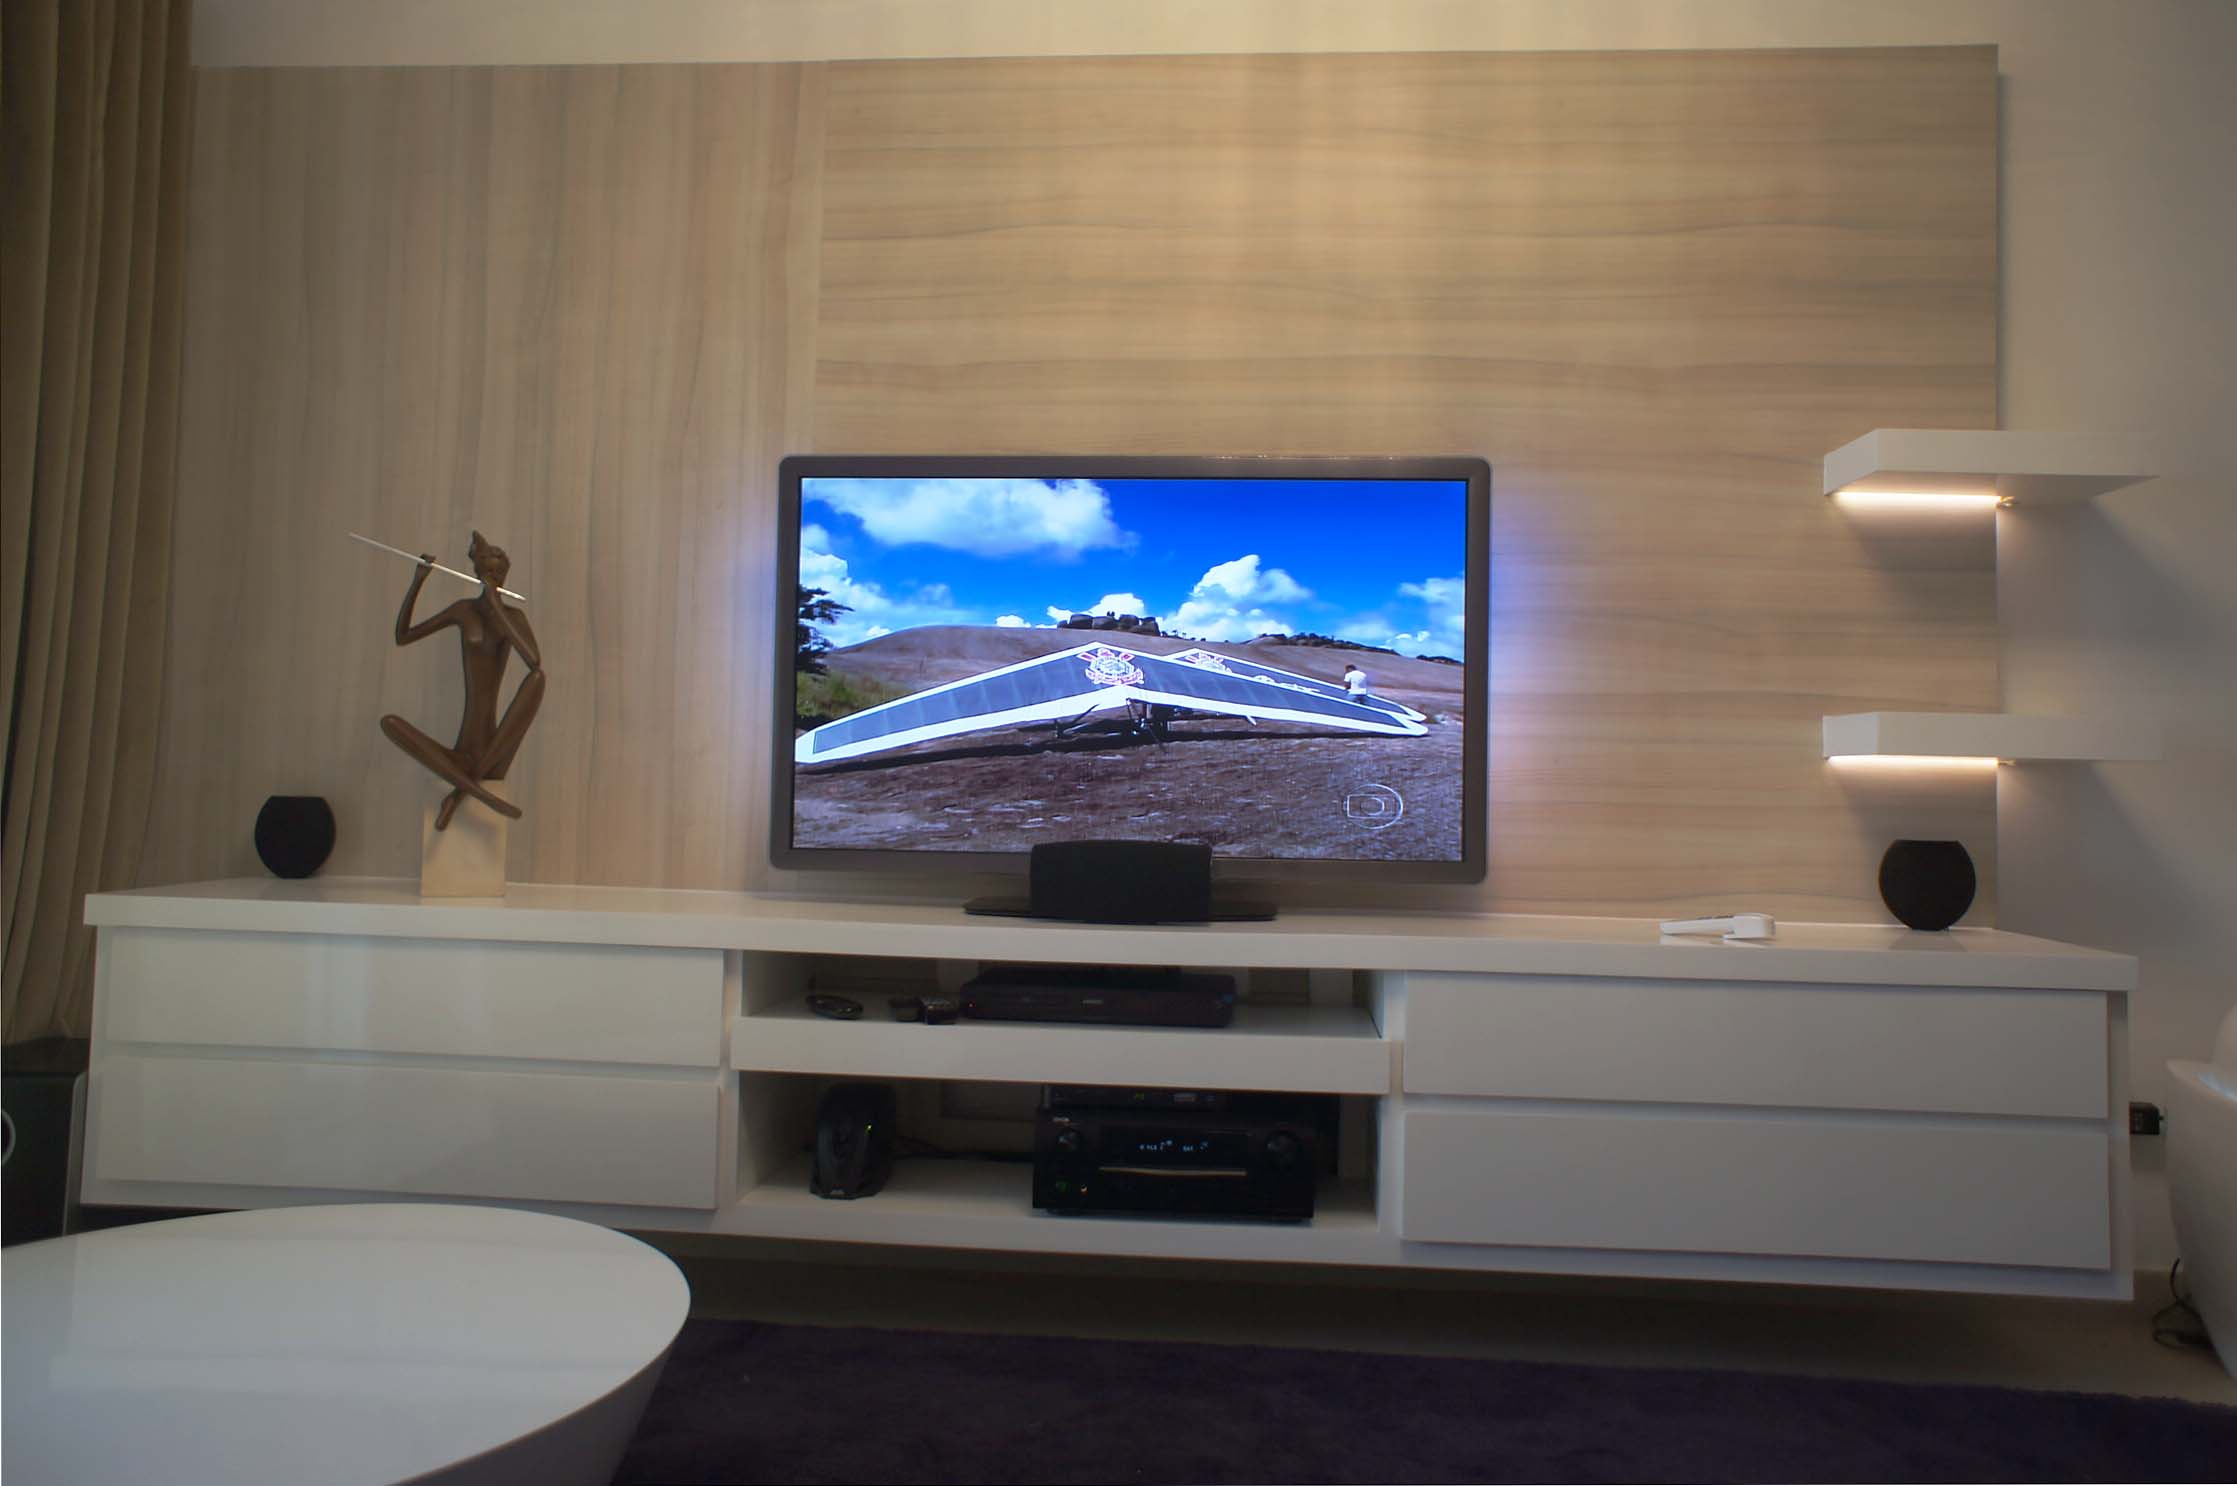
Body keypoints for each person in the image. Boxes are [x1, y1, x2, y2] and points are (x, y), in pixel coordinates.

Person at [380, 531, 546, 830]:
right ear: (478, 573)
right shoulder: (463, 610)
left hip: (496, 748)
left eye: (500, 573)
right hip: (462, 753)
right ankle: (478, 793)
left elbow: (533, 660)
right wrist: (418, 582)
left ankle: (459, 795)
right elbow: (403, 636)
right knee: (390, 723)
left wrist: (496, 605)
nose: (495, 578)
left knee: (538, 679)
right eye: (489, 573)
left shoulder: (513, 617)